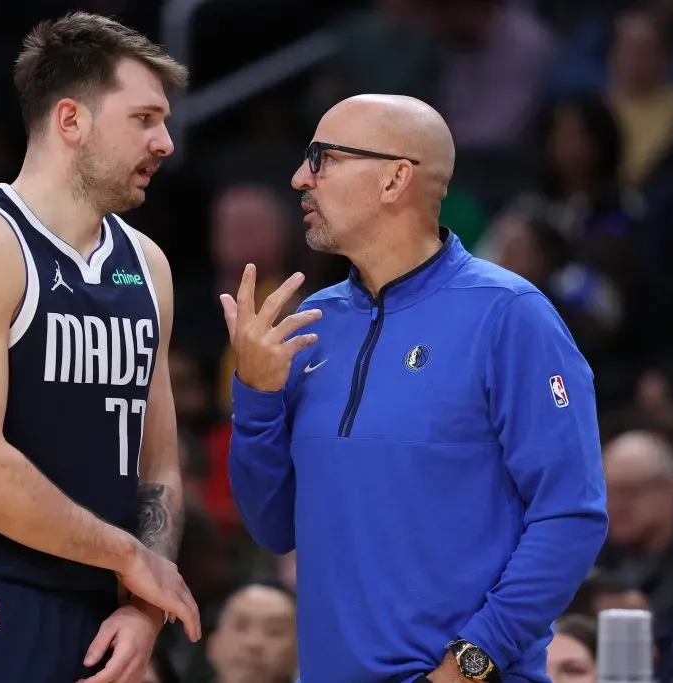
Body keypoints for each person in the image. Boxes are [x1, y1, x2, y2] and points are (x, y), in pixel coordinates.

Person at [221, 94, 609, 683]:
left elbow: (571, 515)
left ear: (395, 178)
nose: (300, 177)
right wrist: (255, 395)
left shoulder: (510, 315)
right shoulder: (312, 325)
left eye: (322, 158)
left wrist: (469, 665)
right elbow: (274, 527)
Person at [0, 12, 201, 683]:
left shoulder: (148, 265)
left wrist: (144, 603)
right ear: (71, 120)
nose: (165, 141)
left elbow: (159, 464)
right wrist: (129, 558)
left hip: (108, 616)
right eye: (143, 118)